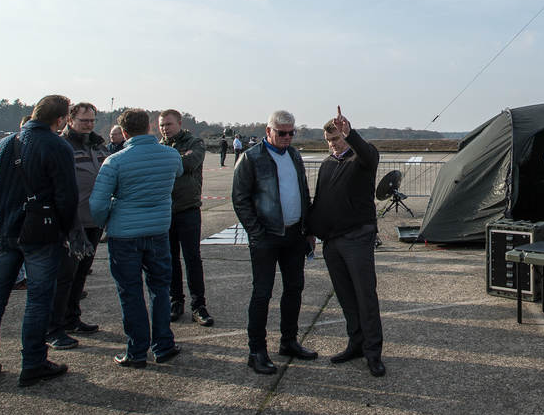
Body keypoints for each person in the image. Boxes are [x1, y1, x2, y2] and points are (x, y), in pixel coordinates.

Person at [0, 95, 78, 388]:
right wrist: (65, 231)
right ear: (60, 120)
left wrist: (2, 220)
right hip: (40, 235)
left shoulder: (2, 144)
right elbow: (67, 197)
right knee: (39, 300)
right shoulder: (57, 146)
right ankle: (33, 362)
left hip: (4, 231)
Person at [90, 109, 183, 368]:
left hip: (124, 235)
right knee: (160, 290)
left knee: (130, 293)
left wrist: (106, 221)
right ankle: (163, 345)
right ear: (150, 127)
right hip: (158, 231)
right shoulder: (171, 155)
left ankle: (137, 350)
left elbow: (97, 204)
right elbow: (178, 173)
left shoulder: (115, 161)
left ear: (124, 132)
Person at [231, 111, 318, 374]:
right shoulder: (251, 158)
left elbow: (303, 192)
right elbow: (240, 199)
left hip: (294, 235)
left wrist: (308, 229)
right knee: (262, 293)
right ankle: (256, 350)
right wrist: (256, 232)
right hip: (266, 237)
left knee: (294, 288)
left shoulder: (294, 155)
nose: (288, 137)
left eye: (292, 132)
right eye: (282, 133)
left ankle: (289, 341)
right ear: (268, 131)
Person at [308, 107, 385, 377]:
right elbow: (320, 201)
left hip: (357, 238)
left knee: (365, 296)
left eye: (337, 139)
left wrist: (351, 134)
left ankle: (373, 352)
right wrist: (310, 230)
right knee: (346, 297)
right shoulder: (327, 164)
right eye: (329, 140)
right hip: (333, 241)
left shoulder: (361, 159)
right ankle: (356, 343)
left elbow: (368, 153)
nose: (333, 144)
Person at [46, 102, 107, 349]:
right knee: (63, 277)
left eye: (92, 120)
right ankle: (53, 328)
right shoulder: (61, 146)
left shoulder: (98, 145)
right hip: (70, 222)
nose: (89, 125)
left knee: (81, 273)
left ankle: (72, 318)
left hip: (94, 220)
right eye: (84, 121)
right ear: (70, 121)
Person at [158, 109, 212, 326]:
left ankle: (198, 305)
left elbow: (189, 164)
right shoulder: (159, 146)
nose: (165, 128)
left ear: (179, 123)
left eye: (169, 124)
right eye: (162, 125)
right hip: (166, 211)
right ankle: (176, 301)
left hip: (188, 210)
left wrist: (165, 161)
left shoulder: (195, 142)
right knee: (170, 259)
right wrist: (177, 158)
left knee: (192, 259)